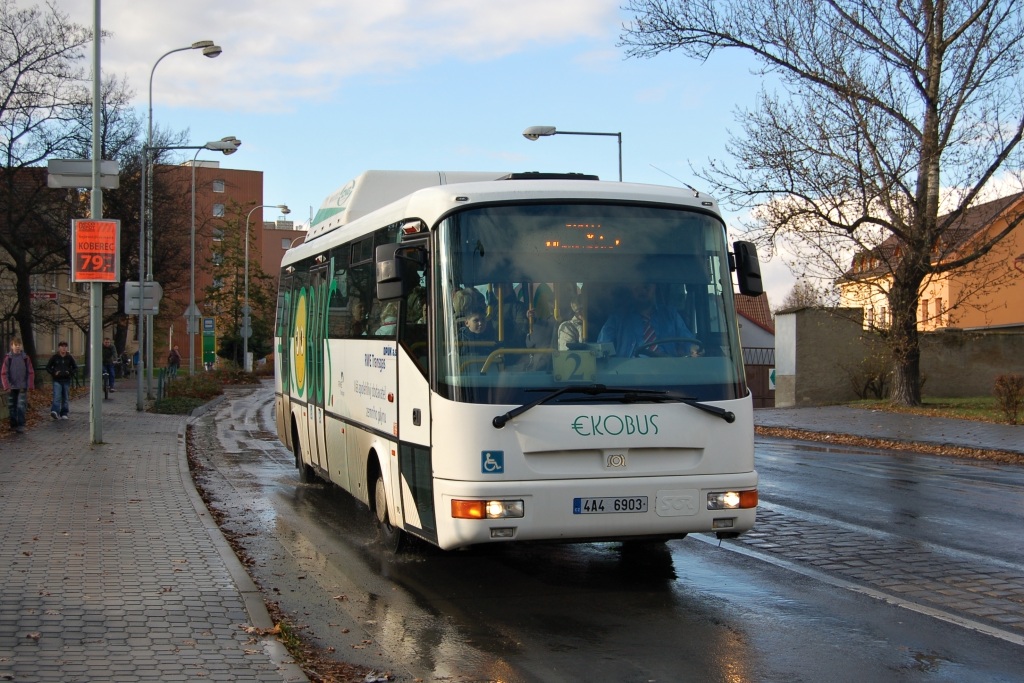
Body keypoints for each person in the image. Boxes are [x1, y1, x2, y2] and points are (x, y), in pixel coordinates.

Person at [597, 282, 695, 357]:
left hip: (668, 375)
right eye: (637, 285)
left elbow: (689, 342)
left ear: (655, 286)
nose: (643, 290)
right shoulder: (617, 319)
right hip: (628, 377)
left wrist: (694, 349)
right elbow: (601, 348)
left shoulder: (671, 315)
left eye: (647, 285)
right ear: (631, 287)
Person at [1, 337, 35, 434]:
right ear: (12, 346)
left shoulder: (25, 358)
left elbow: (30, 372)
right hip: (11, 387)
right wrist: (6, 386)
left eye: (19, 345)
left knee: (21, 405)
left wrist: (30, 384)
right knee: (12, 406)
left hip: (22, 386)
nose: (18, 347)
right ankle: (13, 424)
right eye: (16, 345)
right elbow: (4, 373)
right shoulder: (8, 359)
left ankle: (21, 425)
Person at [45, 341, 77, 420]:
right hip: (57, 380)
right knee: (57, 396)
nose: (64, 348)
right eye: (62, 346)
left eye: (65, 347)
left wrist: (69, 372)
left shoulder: (69, 357)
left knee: (65, 397)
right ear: (59, 348)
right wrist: (54, 373)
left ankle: (64, 413)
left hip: (66, 380)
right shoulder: (55, 357)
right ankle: (55, 411)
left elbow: (75, 367)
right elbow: (48, 367)